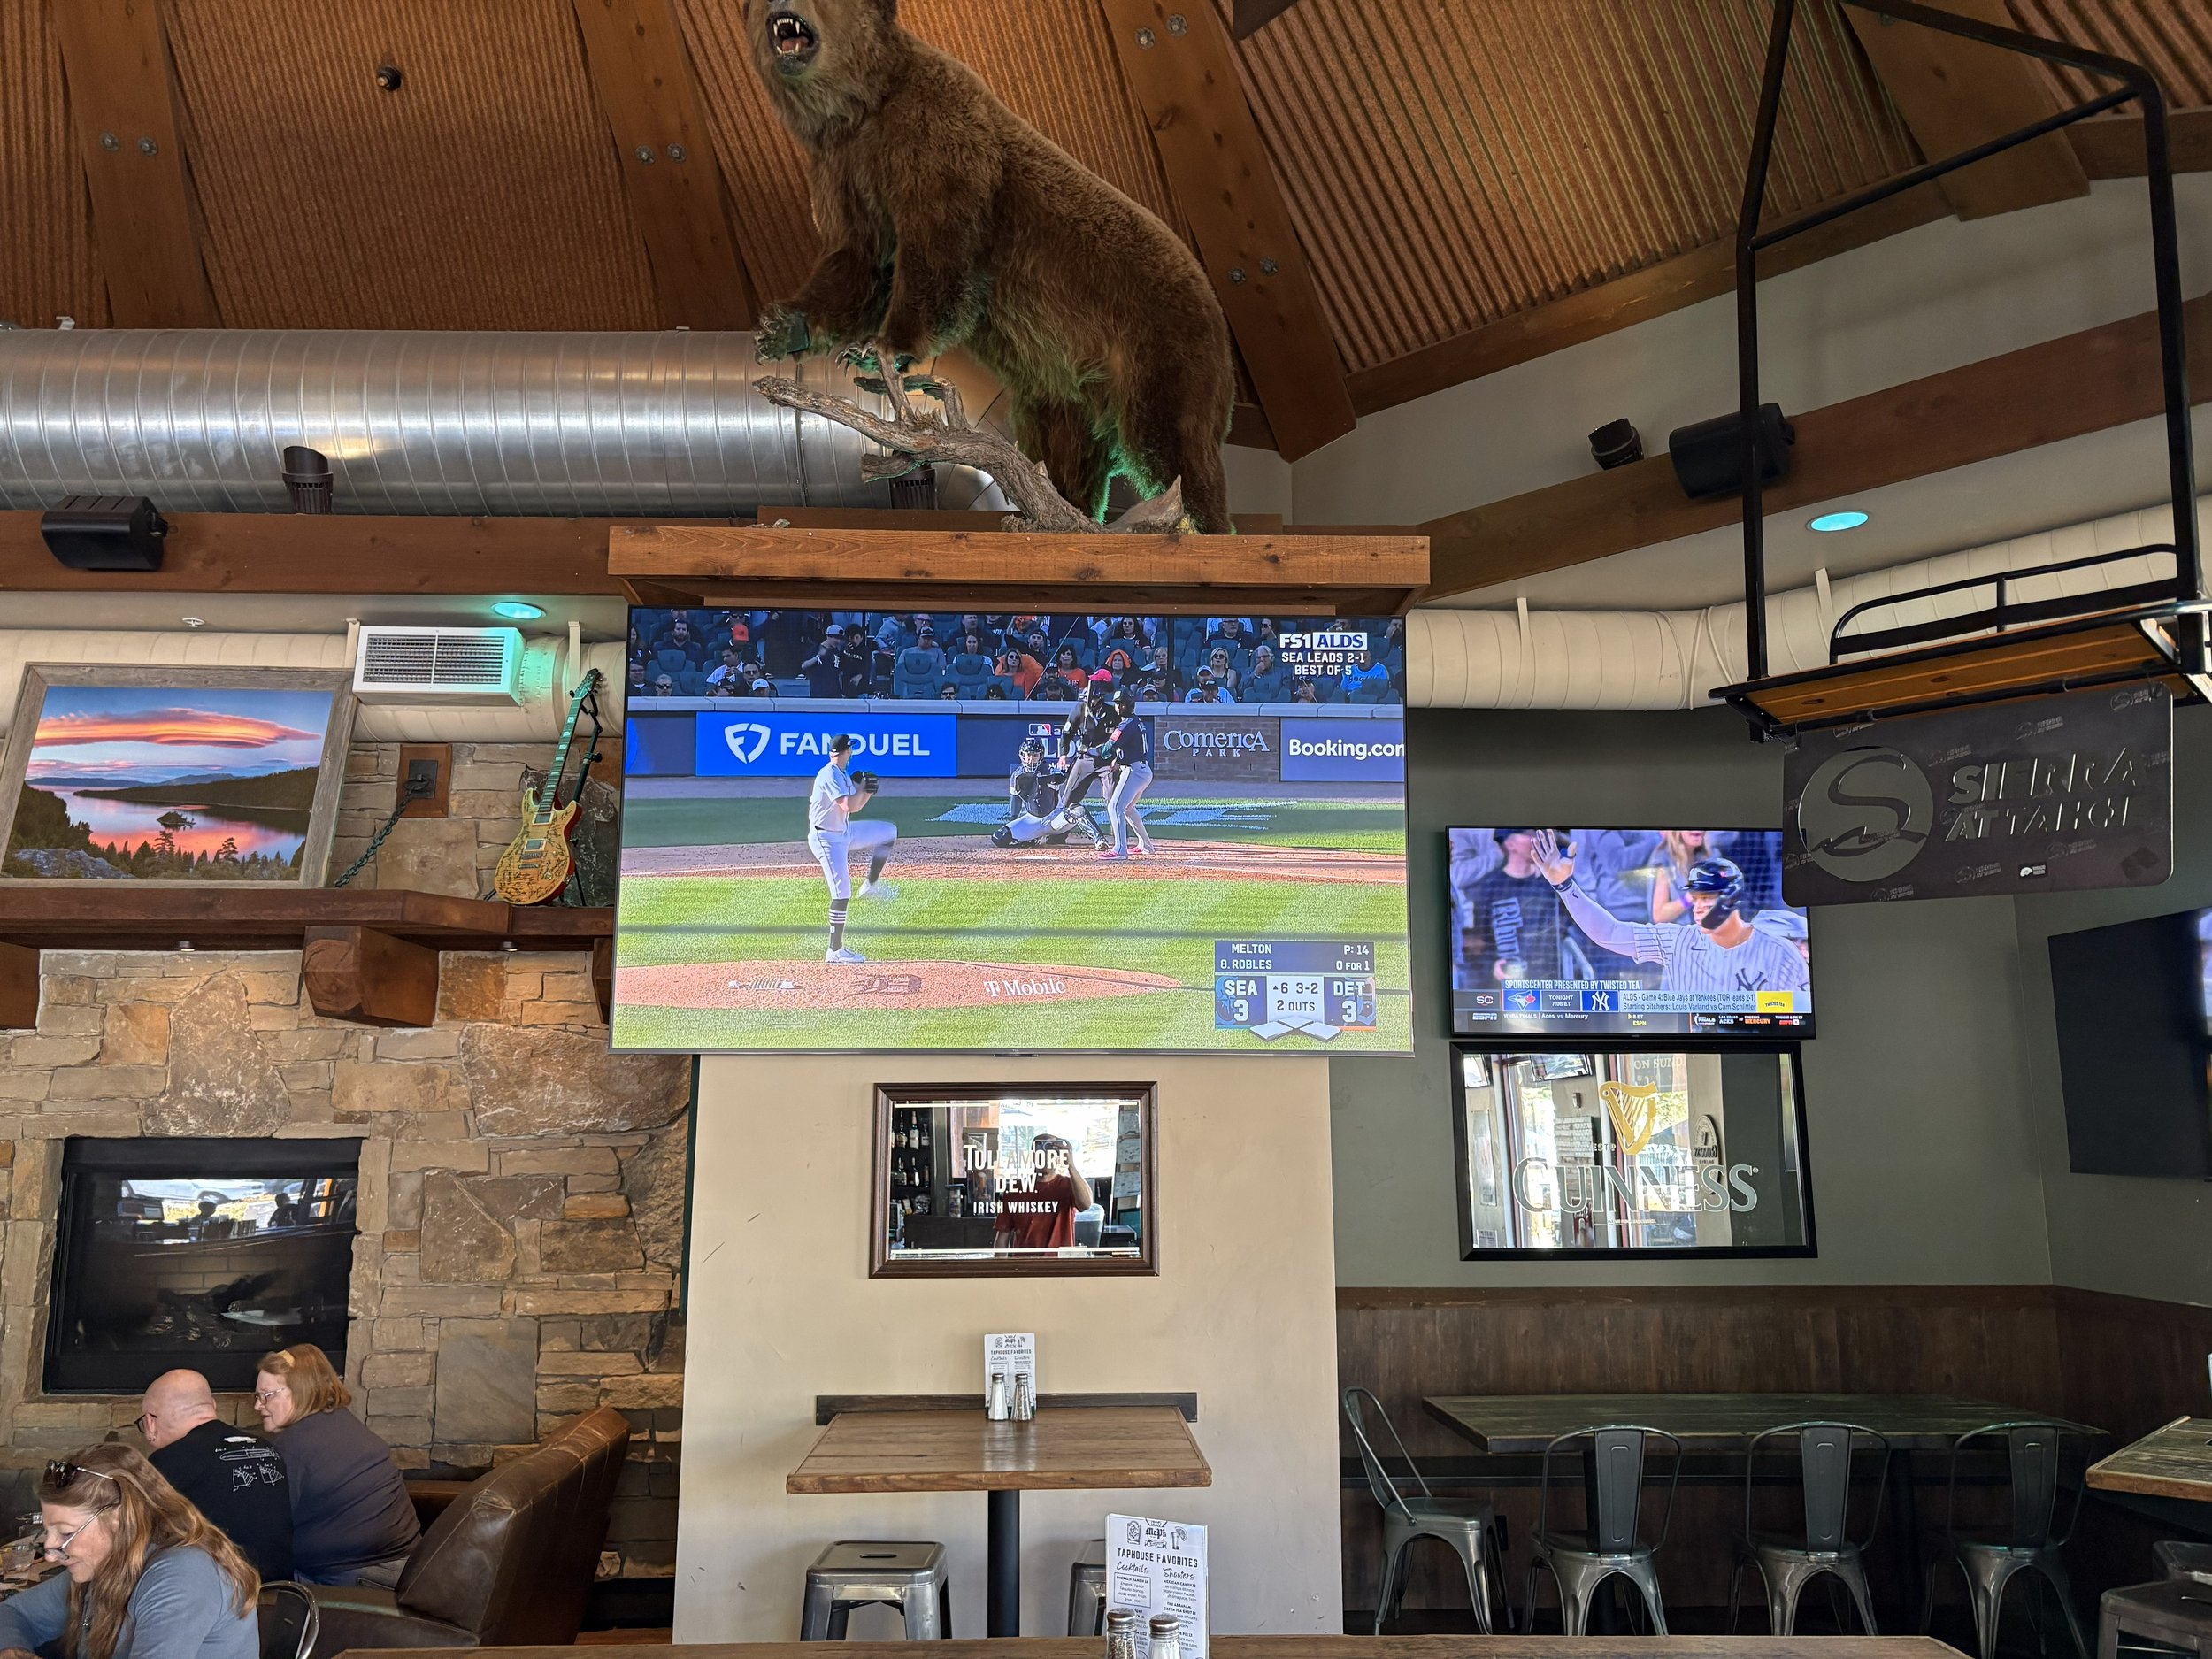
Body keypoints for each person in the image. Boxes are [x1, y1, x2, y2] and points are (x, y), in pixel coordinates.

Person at [0, 1445, 258, 1659]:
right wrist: (13, 1650)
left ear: (119, 1519)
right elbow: (13, 1612)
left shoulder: (184, 1574)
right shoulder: (107, 1562)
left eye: (66, 1533)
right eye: (48, 1532)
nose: (50, 1551)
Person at [1530, 831, 1810, 997]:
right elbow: (1609, 932)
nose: (1697, 906)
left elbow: (1805, 1016)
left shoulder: (1779, 951)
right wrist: (1564, 886)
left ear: (1731, 898)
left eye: (1707, 898)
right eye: (1695, 897)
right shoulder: (1676, 941)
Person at [253, 1345, 419, 1588]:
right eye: (257, 1396)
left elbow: (266, 1531)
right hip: (407, 1567)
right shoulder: (342, 1421)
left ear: (300, 1392)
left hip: (359, 1580)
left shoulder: (294, 1447)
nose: (258, 1406)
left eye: (267, 1395)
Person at [138, 1371, 291, 1582]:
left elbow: (139, 1541)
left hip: (224, 1598)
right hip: (283, 1592)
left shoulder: (167, 1462)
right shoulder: (267, 1449)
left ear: (150, 1424)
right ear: (212, 1406)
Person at [807, 733, 898, 965]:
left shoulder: (841, 774)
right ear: (847, 751)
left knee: (888, 832)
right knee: (841, 892)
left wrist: (861, 786)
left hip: (844, 833)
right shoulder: (828, 775)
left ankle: (871, 885)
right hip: (827, 839)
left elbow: (853, 801)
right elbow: (850, 805)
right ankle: (834, 951)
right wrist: (866, 791)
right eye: (850, 750)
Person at [1455, 828, 1574, 985]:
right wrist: (1491, 965)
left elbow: (1569, 927)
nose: (1536, 840)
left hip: (1549, 984)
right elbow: (1477, 941)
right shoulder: (1488, 889)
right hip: (1505, 988)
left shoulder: (1550, 886)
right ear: (1511, 844)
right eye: (1528, 836)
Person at [991, 1134, 1093, 1251]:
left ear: (1058, 1156)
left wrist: (1071, 1166)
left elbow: (1086, 1204)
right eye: (1040, 1150)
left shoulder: (1069, 1185)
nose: (1045, 1156)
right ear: (1032, 1156)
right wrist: (1001, 1268)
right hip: (1026, 1265)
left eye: (1051, 1150)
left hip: (1059, 1265)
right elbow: (1003, 1236)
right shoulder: (1016, 1188)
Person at [1052, 674, 1118, 849]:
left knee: (1112, 799)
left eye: (1093, 699)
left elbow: (1120, 739)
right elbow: (1067, 732)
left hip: (1106, 760)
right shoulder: (1080, 709)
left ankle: (1118, 836)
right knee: (1069, 797)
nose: (1090, 702)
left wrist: (1117, 759)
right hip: (1085, 758)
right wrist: (1063, 754)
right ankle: (1060, 833)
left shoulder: (1111, 713)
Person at [1096, 687, 1156, 860]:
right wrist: (1117, 757)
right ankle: (1146, 845)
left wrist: (1095, 750)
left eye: (1121, 703)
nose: (1118, 707)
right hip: (1142, 770)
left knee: (1115, 806)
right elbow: (1128, 746)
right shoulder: (1135, 721)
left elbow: (1107, 750)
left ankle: (1119, 850)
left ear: (1129, 705)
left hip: (1134, 771)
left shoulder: (1126, 724)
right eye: (1117, 703)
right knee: (1128, 808)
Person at [992, 735, 1082, 848]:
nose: (1031, 758)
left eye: (1035, 755)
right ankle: (1032, 838)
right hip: (1032, 819)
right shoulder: (1017, 775)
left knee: (1077, 812)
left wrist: (1043, 779)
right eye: (1028, 755)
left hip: (1054, 817)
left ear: (1041, 756)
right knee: (998, 838)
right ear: (1022, 756)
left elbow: (1061, 777)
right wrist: (1014, 820)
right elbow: (1015, 800)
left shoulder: (1049, 770)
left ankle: (1062, 835)